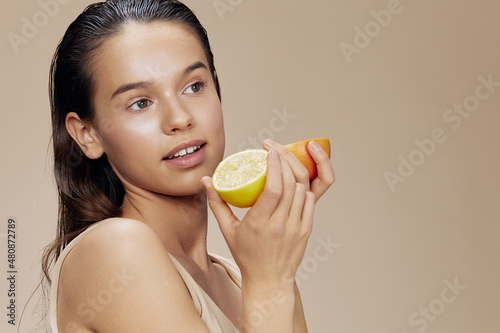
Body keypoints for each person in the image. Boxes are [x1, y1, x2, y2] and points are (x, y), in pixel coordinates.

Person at [41, 0, 335, 332]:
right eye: (140, 103)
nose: (180, 118)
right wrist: (271, 280)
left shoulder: (241, 279)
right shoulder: (115, 249)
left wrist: (277, 274)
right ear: (87, 134)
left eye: (194, 86)